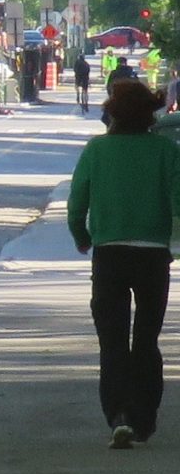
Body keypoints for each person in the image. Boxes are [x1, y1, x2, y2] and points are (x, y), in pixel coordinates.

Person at [67, 80, 180, 449]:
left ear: (111, 113)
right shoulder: (166, 151)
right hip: (152, 254)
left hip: (109, 253)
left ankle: (118, 415)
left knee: (112, 340)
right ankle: (143, 418)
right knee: (146, 339)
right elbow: (177, 200)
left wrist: (81, 235)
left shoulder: (97, 150)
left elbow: (77, 202)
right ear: (151, 112)